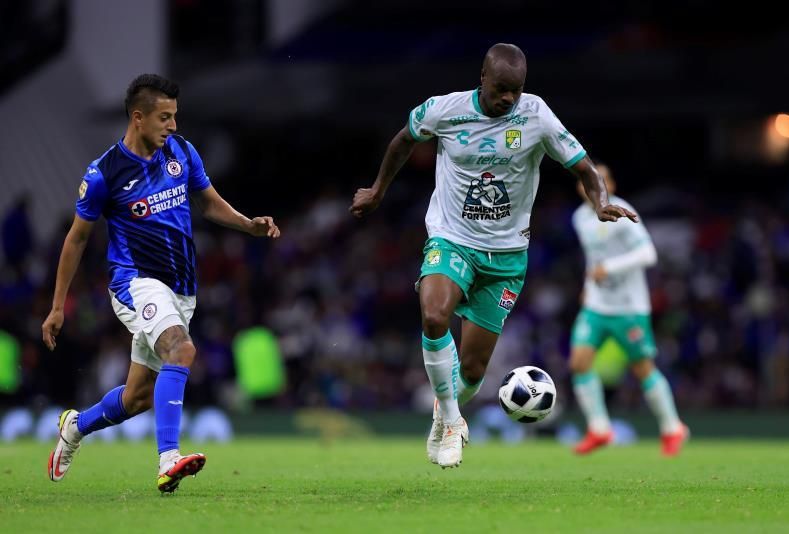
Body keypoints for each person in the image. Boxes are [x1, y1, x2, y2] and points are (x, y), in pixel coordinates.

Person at [350, 43, 637, 468]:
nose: (508, 98)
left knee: (472, 369)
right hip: (452, 238)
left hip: (506, 255)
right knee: (433, 315)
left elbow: (582, 166)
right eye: (501, 88)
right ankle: (452, 420)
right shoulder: (444, 110)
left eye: (516, 91)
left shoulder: (536, 114)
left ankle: (443, 412)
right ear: (483, 76)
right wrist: (378, 190)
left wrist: (599, 201)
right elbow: (403, 140)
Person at [41, 74, 281, 492]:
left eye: (175, 116)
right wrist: (58, 305)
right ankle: (168, 459)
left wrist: (248, 225)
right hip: (135, 284)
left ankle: (74, 426)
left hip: (181, 289)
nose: (172, 125)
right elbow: (76, 239)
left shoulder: (182, 152)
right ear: (138, 118)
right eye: (164, 117)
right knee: (182, 349)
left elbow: (208, 202)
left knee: (135, 398)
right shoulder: (104, 174)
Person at [569, 162, 688, 456]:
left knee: (642, 367)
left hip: (629, 307)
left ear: (612, 186)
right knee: (579, 362)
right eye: (590, 180)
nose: (596, 186)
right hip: (597, 305)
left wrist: (609, 269)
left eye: (603, 180)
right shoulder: (580, 218)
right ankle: (599, 428)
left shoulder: (622, 212)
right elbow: (593, 255)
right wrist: (589, 283)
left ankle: (673, 427)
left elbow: (648, 254)